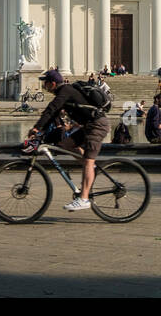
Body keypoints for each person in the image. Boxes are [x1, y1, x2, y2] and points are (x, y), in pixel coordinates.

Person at [29, 69, 110, 211]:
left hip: (97, 125)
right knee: (64, 144)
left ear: (52, 83)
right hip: (88, 126)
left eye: (45, 83)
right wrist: (41, 130)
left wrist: (36, 128)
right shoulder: (64, 92)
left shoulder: (65, 91)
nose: (44, 86)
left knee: (89, 161)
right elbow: (53, 113)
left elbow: (51, 108)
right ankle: (91, 168)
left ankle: (84, 199)